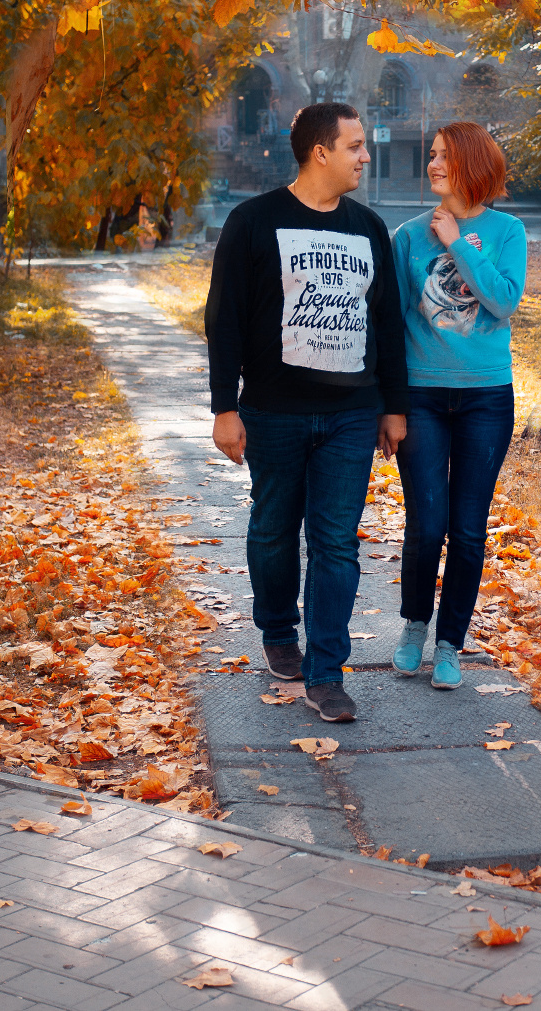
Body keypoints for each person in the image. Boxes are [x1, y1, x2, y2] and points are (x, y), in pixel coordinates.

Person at [205, 102, 408, 723]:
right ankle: (277, 631)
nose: (365, 156)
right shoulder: (253, 221)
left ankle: (326, 674)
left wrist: (394, 406)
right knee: (272, 531)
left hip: (351, 414)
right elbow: (224, 321)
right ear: (321, 152)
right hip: (274, 412)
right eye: (355, 146)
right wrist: (224, 408)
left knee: (336, 544)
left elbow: (387, 324)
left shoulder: (368, 227)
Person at [390, 122, 527, 689]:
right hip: (421, 394)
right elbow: (391, 323)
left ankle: (450, 643)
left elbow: (503, 300)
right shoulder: (406, 237)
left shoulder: (507, 231)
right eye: (432, 155)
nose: (433, 164)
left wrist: (455, 242)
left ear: (472, 162)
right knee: (427, 524)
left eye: (444, 155)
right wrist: (388, 405)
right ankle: (414, 626)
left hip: (485, 399)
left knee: (468, 530)